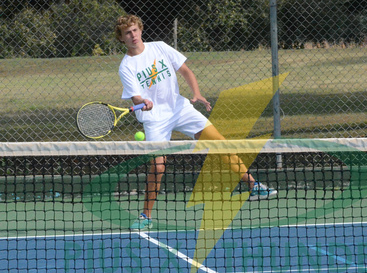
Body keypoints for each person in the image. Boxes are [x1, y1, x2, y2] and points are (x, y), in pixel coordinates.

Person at [114, 14, 277, 230]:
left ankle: (253, 186)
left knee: (219, 141)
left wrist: (196, 93)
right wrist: (142, 101)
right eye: (127, 33)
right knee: (158, 166)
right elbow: (135, 97)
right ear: (122, 38)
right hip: (154, 119)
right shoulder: (126, 66)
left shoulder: (160, 47)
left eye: (135, 30)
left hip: (180, 109)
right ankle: (146, 216)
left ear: (141, 30)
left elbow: (185, 70)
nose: (133, 35)